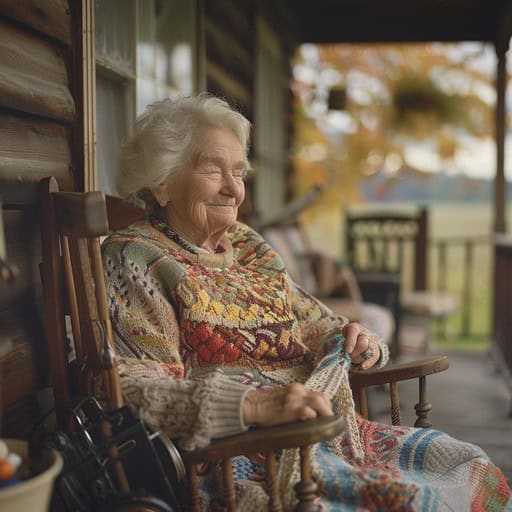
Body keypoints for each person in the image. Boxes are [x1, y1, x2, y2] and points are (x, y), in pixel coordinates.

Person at [102, 93, 511, 511]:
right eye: (212, 170)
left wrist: (354, 338)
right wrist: (256, 405)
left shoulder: (246, 245)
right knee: (412, 500)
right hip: (240, 458)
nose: (232, 189)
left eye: (239, 173)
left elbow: (316, 321)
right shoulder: (135, 257)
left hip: (322, 438)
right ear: (161, 180)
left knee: (471, 465)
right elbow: (138, 387)